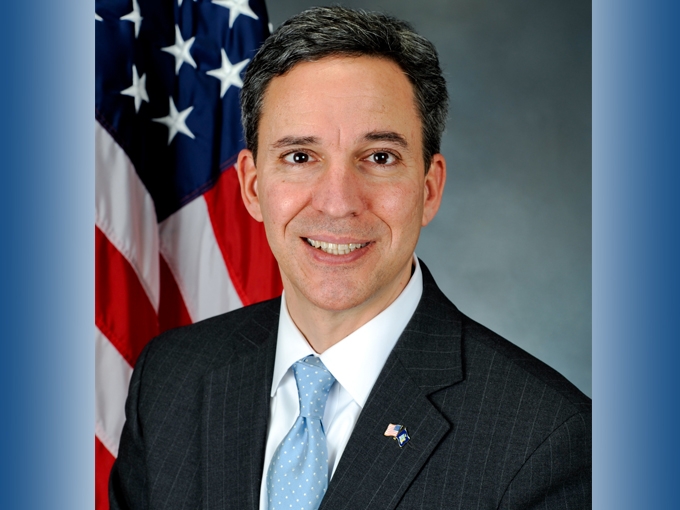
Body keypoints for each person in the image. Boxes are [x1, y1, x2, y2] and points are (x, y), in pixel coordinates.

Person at [109, 6, 591, 510]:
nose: (338, 202)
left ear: (429, 189)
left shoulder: (545, 440)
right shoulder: (170, 381)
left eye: (379, 157)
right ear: (252, 187)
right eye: (300, 157)